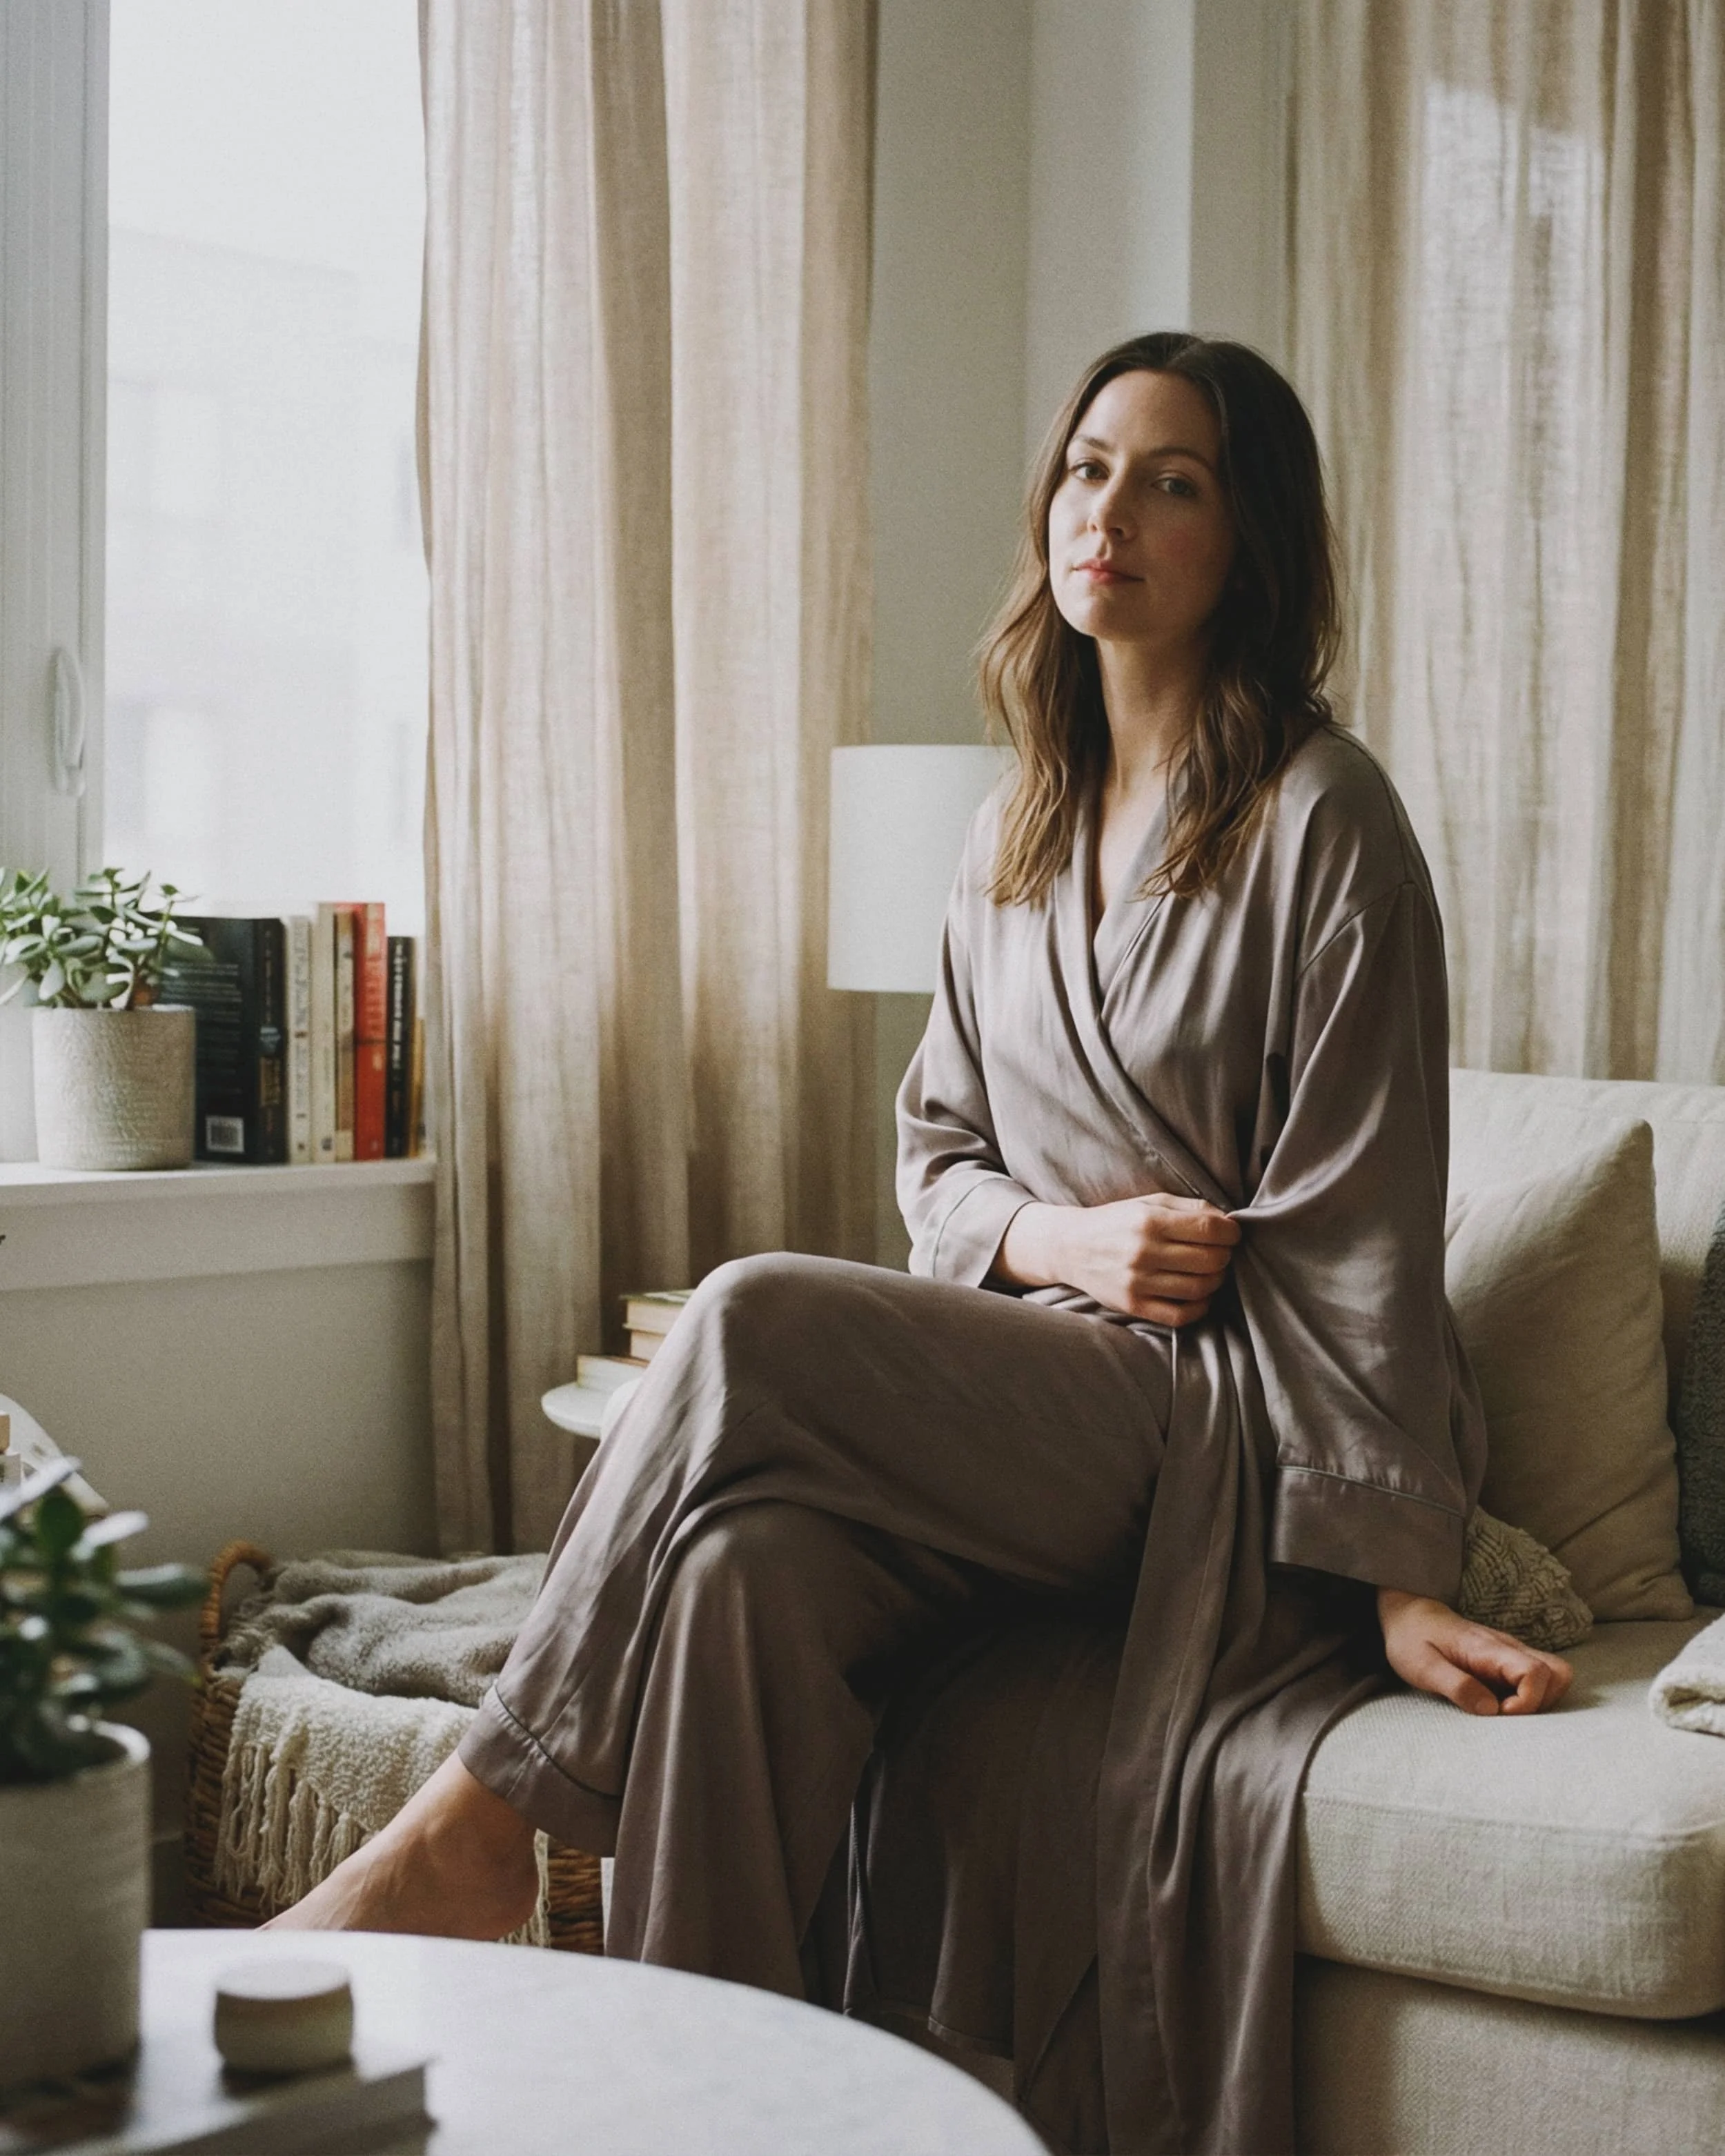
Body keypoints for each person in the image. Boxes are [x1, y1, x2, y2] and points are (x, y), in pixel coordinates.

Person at [272, 333, 1573, 2155]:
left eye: (1173, 482)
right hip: (1045, 1383)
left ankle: (475, 1829)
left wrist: (1398, 1574)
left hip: (1216, 1425)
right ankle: (695, 2108)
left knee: (748, 1317)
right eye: (1088, 469)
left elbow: (1364, 1220)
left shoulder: (1323, 819)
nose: (1109, 512)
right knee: (746, 1571)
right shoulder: (1010, 830)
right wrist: (1060, 1238)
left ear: (1250, 541)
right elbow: (937, 1160)